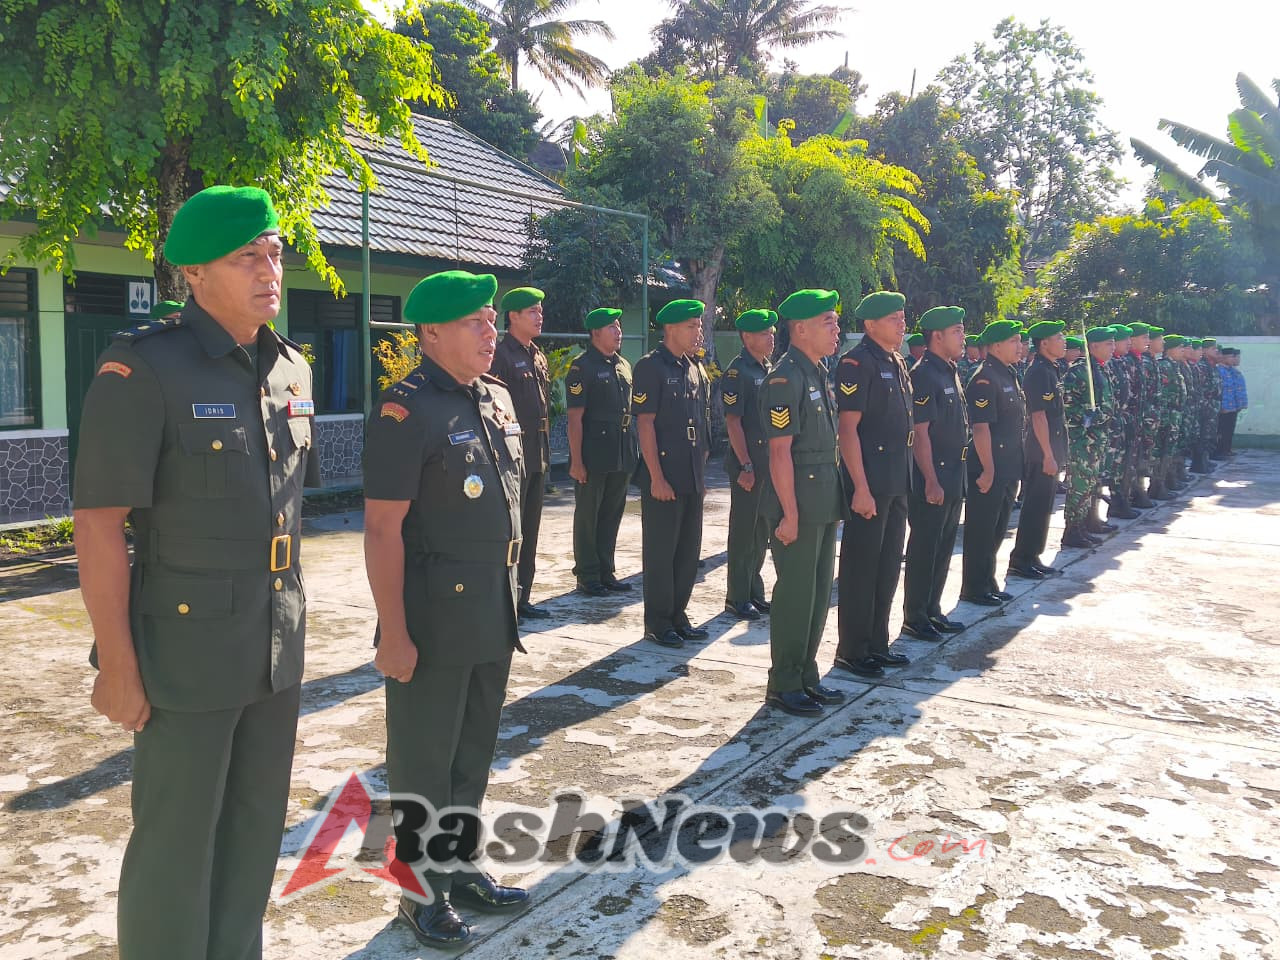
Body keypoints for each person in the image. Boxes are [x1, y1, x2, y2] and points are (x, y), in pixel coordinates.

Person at [73, 185, 319, 960]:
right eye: (247, 255)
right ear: (194, 273)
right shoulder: (145, 367)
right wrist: (116, 663)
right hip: (186, 650)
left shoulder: (291, 369)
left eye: (274, 251)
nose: (269, 267)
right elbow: (99, 524)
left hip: (274, 643)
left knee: (253, 835)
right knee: (177, 845)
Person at [364, 270, 530, 949]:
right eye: (476, 323)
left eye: (492, 320)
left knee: (470, 755)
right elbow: (381, 530)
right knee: (422, 763)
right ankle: (416, 891)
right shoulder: (408, 410)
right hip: (431, 618)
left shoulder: (493, 397)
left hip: (492, 609)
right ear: (431, 332)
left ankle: (457, 869)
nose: (491, 332)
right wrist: (394, 633)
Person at [757, 289, 845, 715]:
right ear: (802, 328)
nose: (836, 328)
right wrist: (789, 513)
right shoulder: (785, 378)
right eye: (828, 320)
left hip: (824, 498)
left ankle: (807, 674)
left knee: (816, 593)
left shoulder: (817, 372)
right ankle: (784, 681)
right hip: (799, 503)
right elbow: (779, 453)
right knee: (794, 594)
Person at [833, 291, 914, 678]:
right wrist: (860, 487)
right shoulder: (857, 362)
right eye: (894, 318)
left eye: (902, 317)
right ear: (870, 325)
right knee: (861, 569)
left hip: (896, 480)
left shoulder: (896, 361)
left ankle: (877, 643)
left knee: (887, 568)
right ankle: (852, 648)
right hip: (870, 483)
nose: (901, 323)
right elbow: (847, 431)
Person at [632, 299, 711, 648]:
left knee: (687, 551)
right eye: (692, 326)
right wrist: (656, 477)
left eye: (699, 325)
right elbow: (645, 425)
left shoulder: (694, 368)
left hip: (691, 472)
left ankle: (679, 613)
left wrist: (702, 474)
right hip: (664, 473)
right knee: (662, 552)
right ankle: (658, 620)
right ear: (670, 329)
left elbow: (702, 424)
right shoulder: (651, 367)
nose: (699, 332)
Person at [901, 305, 969, 639]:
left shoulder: (948, 370)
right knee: (925, 547)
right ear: (937, 336)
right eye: (957, 331)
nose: (963, 337)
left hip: (954, 473)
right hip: (935, 476)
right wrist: (929, 478)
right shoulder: (924, 373)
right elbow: (921, 432)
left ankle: (932, 609)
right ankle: (915, 616)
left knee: (943, 546)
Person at [565, 307, 637, 596]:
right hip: (593, 452)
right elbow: (574, 419)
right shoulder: (582, 367)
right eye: (612, 327)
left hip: (620, 450)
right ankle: (587, 574)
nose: (618, 332)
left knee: (611, 513)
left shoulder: (623, 365)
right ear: (596, 333)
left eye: (619, 326)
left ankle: (606, 571)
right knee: (588, 515)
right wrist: (577, 461)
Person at [490, 286, 551, 621]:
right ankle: (505, 596)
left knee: (531, 528)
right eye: (532, 311)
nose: (539, 316)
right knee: (510, 530)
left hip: (537, 453)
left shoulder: (536, 355)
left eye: (540, 310)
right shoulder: (502, 356)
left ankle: (522, 596)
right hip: (514, 457)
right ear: (513, 317)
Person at [958, 319, 1025, 606]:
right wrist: (987, 468)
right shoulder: (985, 378)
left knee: (997, 528)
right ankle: (974, 586)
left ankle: (988, 580)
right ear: (996, 345)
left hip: (1007, 465)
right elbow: (981, 428)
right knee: (982, 529)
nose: (1020, 347)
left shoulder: (1007, 374)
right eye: (1014, 341)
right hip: (990, 466)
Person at [722, 308, 777, 620]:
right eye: (764, 333)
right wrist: (745, 464)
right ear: (747, 337)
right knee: (743, 532)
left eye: (771, 332)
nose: (771, 337)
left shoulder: (766, 368)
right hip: (748, 465)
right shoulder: (738, 372)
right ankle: (737, 595)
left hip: (767, 464)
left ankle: (754, 591)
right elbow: (734, 422)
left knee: (760, 533)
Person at [1008, 320, 1067, 579]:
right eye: (1059, 337)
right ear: (1044, 343)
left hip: (1050, 449)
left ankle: (1033, 555)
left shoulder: (1051, 369)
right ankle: (1021, 558)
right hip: (1041, 451)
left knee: (1044, 506)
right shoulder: (1038, 372)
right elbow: (1039, 417)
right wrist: (1048, 455)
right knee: (1034, 506)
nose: (1063, 341)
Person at [1061, 326, 1116, 547]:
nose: (1112, 348)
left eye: (1113, 343)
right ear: (1093, 346)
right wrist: (1088, 417)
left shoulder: (1099, 369)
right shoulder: (1078, 371)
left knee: (1091, 484)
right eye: (1108, 344)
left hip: (1097, 439)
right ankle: (1071, 531)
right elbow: (1066, 406)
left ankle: (1082, 526)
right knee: (1080, 486)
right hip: (1082, 440)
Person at [1103, 324, 1141, 521]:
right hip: (1111, 423)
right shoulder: (1107, 365)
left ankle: (1121, 502)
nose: (1128, 343)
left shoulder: (1119, 362)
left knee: (1123, 465)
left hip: (1124, 420)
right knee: (1108, 468)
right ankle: (1110, 506)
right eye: (1124, 340)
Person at [1216, 347, 1247, 457]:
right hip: (1224, 406)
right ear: (1224, 357)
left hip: (1233, 406)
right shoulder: (1219, 371)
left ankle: (1227, 449)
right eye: (1233, 356)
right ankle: (1220, 451)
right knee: (1222, 430)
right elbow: (1221, 391)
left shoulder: (1233, 372)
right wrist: (1222, 406)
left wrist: (1241, 404)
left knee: (1229, 429)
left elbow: (1237, 390)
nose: (1236, 359)